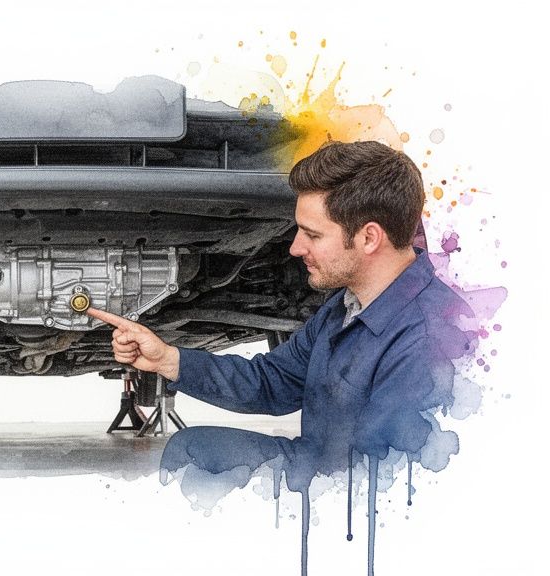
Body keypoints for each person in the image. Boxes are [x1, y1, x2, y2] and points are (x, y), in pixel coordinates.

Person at [86, 141, 474, 565]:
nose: (294, 248)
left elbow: (384, 491)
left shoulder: (432, 337)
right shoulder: (347, 306)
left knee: (198, 463)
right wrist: (166, 359)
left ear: (369, 237)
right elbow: (272, 382)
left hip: (356, 506)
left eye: (312, 234)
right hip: (327, 473)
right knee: (195, 449)